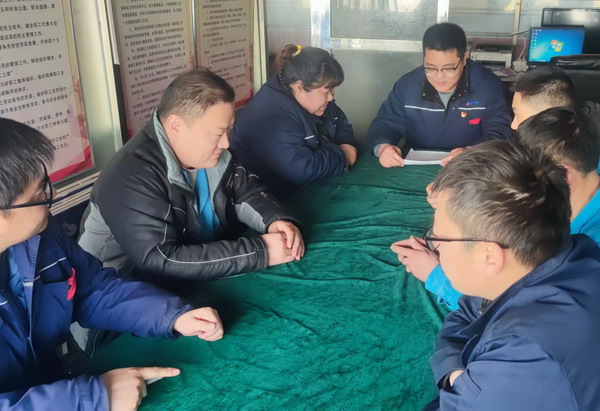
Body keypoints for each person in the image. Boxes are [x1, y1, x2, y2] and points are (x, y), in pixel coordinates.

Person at [0, 116, 224, 410]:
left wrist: (170, 315)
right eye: (40, 194)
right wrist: (93, 398)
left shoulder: (37, 236)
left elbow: (93, 290)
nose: (51, 196)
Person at [421, 140, 600, 409]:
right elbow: (467, 312)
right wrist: (454, 373)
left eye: (439, 239)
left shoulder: (525, 355)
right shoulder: (570, 252)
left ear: (489, 257)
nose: (435, 247)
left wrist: (455, 377)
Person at [78, 69, 304, 280]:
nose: (226, 143)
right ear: (176, 125)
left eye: (229, 130)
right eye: (218, 133)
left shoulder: (209, 153)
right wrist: (260, 251)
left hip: (192, 275)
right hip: (113, 289)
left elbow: (245, 193)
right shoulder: (130, 176)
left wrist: (275, 220)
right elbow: (159, 258)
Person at [394, 108, 600, 310]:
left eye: (526, 173)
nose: (512, 123)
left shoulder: (590, 251)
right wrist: (457, 195)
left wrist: (437, 277)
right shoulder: (583, 178)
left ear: (563, 175)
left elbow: (521, 310)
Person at [367, 23, 512, 168]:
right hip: (416, 166)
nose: (439, 77)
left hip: (470, 166)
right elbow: (385, 123)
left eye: (448, 68)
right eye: (430, 68)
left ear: (464, 57)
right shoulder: (407, 86)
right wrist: (383, 146)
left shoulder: (488, 86)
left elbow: (501, 131)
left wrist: (472, 153)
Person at [231, 44, 358, 199]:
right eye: (326, 91)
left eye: (332, 89)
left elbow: (339, 121)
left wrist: (346, 144)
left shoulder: (315, 101)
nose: (331, 97)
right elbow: (302, 169)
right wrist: (343, 155)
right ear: (299, 87)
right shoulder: (271, 115)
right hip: (271, 198)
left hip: (307, 188)